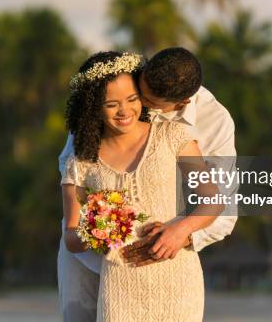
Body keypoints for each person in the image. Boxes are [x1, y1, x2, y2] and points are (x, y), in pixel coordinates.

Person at [57, 47, 237, 321]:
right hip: (96, 264)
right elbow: (74, 172)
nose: (132, 107)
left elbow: (220, 200)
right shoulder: (112, 89)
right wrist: (97, 229)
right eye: (137, 91)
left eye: (143, 100)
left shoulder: (210, 125)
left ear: (181, 103)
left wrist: (180, 232)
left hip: (171, 268)